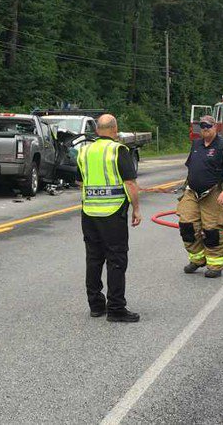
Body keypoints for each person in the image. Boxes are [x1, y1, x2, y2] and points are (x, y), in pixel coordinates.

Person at [77, 114, 142, 322]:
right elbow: (130, 183)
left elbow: (80, 182)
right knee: (116, 259)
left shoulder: (84, 151)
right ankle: (116, 308)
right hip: (113, 213)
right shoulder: (118, 150)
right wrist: (136, 209)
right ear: (115, 130)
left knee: (94, 259)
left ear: (97, 130)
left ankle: (96, 305)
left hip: (89, 213)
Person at [177, 115, 223, 278]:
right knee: (187, 226)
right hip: (192, 192)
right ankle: (197, 259)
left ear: (216, 127)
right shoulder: (196, 144)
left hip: (213, 193)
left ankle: (215, 265)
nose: (205, 129)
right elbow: (192, 167)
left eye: (208, 126)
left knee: (212, 230)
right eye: (202, 127)